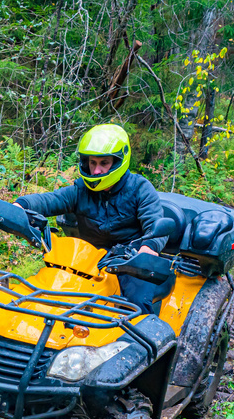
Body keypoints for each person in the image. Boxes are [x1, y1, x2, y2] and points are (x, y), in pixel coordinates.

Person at [14, 123, 169, 313]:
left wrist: (149, 247)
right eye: (92, 163)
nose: (96, 171)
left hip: (131, 262)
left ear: (119, 160)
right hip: (88, 259)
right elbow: (51, 199)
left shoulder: (140, 189)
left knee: (137, 305)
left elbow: (155, 226)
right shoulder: (81, 191)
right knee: (49, 293)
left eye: (104, 163)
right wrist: (20, 206)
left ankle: (144, 341)